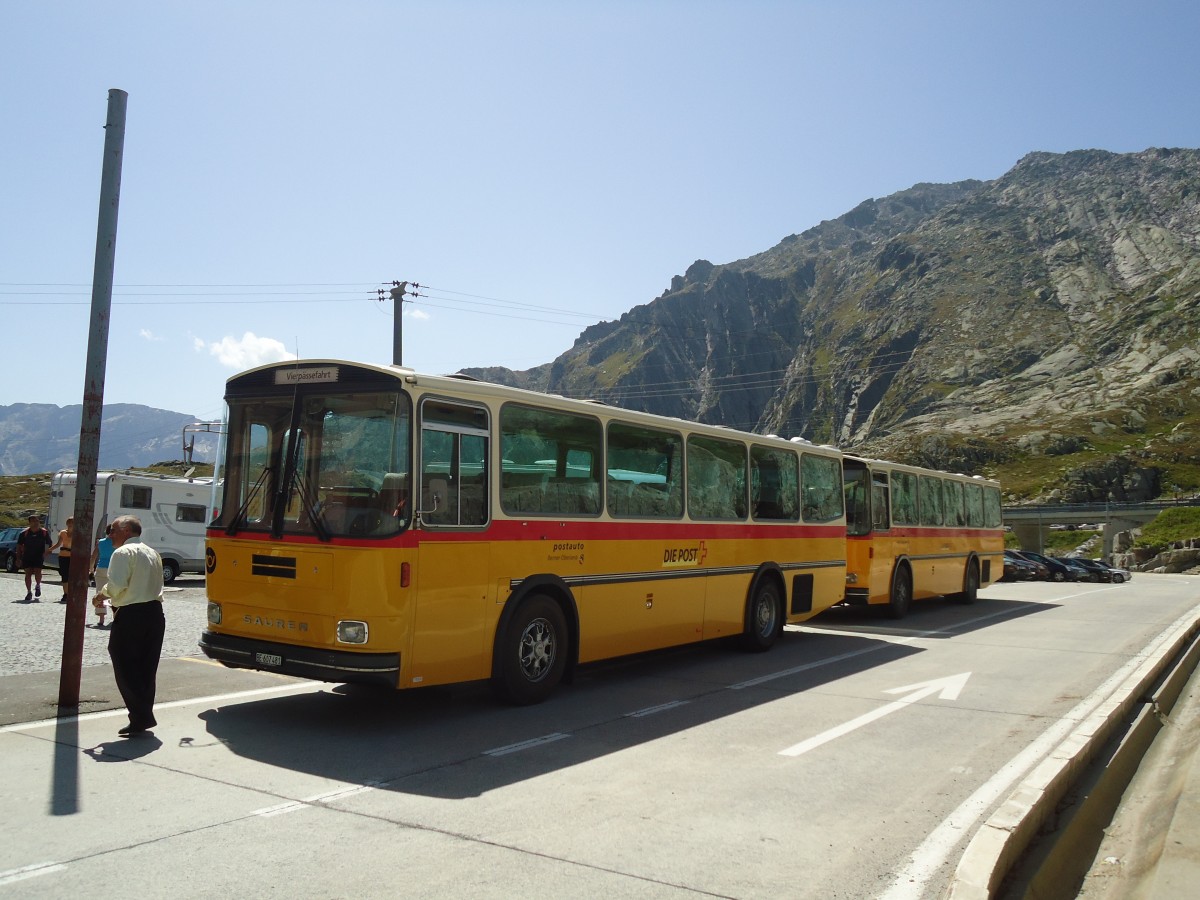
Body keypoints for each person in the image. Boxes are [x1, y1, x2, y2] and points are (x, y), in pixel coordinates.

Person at [93, 515, 165, 736]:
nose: (110, 534)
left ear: (125, 530)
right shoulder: (153, 552)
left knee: (124, 663)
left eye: (113, 530)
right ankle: (141, 716)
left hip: (132, 613)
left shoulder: (123, 552)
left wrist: (100, 595)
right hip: (154, 612)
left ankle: (141, 716)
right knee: (146, 666)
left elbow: (117, 585)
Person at [16, 515, 52, 602]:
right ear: (29, 523)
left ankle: (38, 585)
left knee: (37, 571)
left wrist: (47, 552)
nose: (36, 523)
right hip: (27, 556)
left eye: (37, 521)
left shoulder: (44, 532)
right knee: (28, 573)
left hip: (39, 556)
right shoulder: (24, 533)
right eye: (33, 521)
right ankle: (29, 592)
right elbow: (19, 546)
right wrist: (18, 558)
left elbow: (49, 543)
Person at [90, 524, 115, 627]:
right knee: (115, 593)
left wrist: (91, 568)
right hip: (113, 569)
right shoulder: (118, 543)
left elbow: (94, 556)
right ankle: (115, 615)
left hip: (101, 568)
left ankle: (101, 619)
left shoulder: (100, 542)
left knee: (100, 592)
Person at [48, 516, 75, 603]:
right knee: (64, 575)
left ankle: (71, 593)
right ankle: (65, 594)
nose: (70, 524)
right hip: (63, 556)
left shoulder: (77, 533)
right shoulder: (63, 533)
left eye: (72, 522)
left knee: (72, 576)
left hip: (73, 557)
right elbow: (58, 544)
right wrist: (49, 550)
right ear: (67, 523)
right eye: (69, 522)